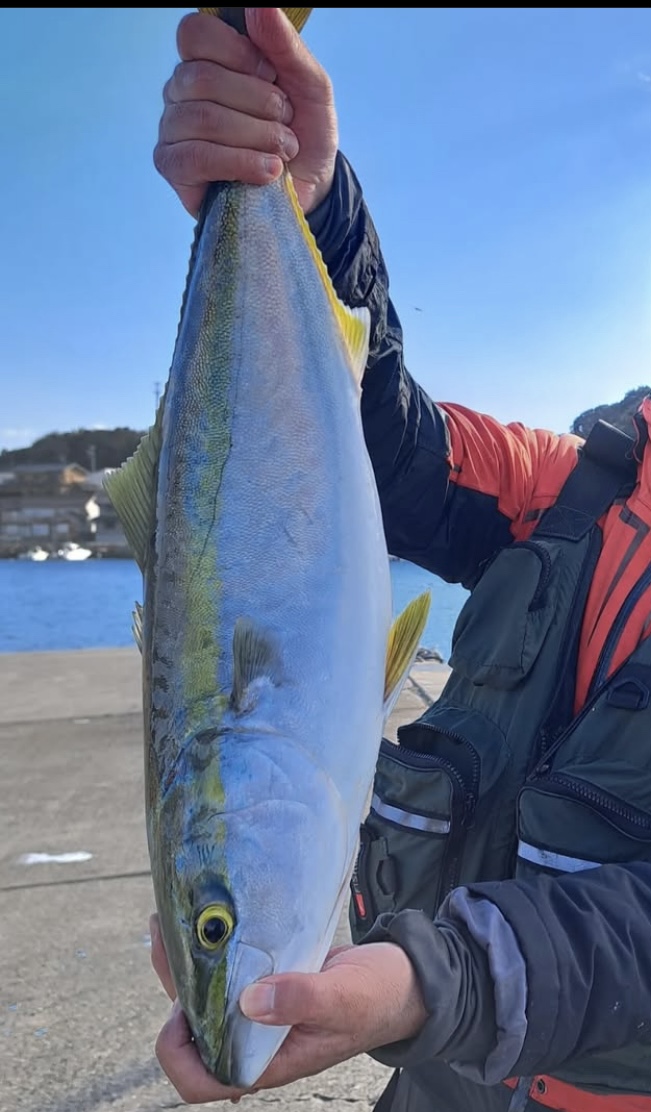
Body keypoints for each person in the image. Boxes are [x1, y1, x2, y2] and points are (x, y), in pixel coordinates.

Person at [149, 9, 651, 1112]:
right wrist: (306, 198)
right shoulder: (577, 482)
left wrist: (436, 979)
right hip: (447, 1074)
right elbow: (384, 450)